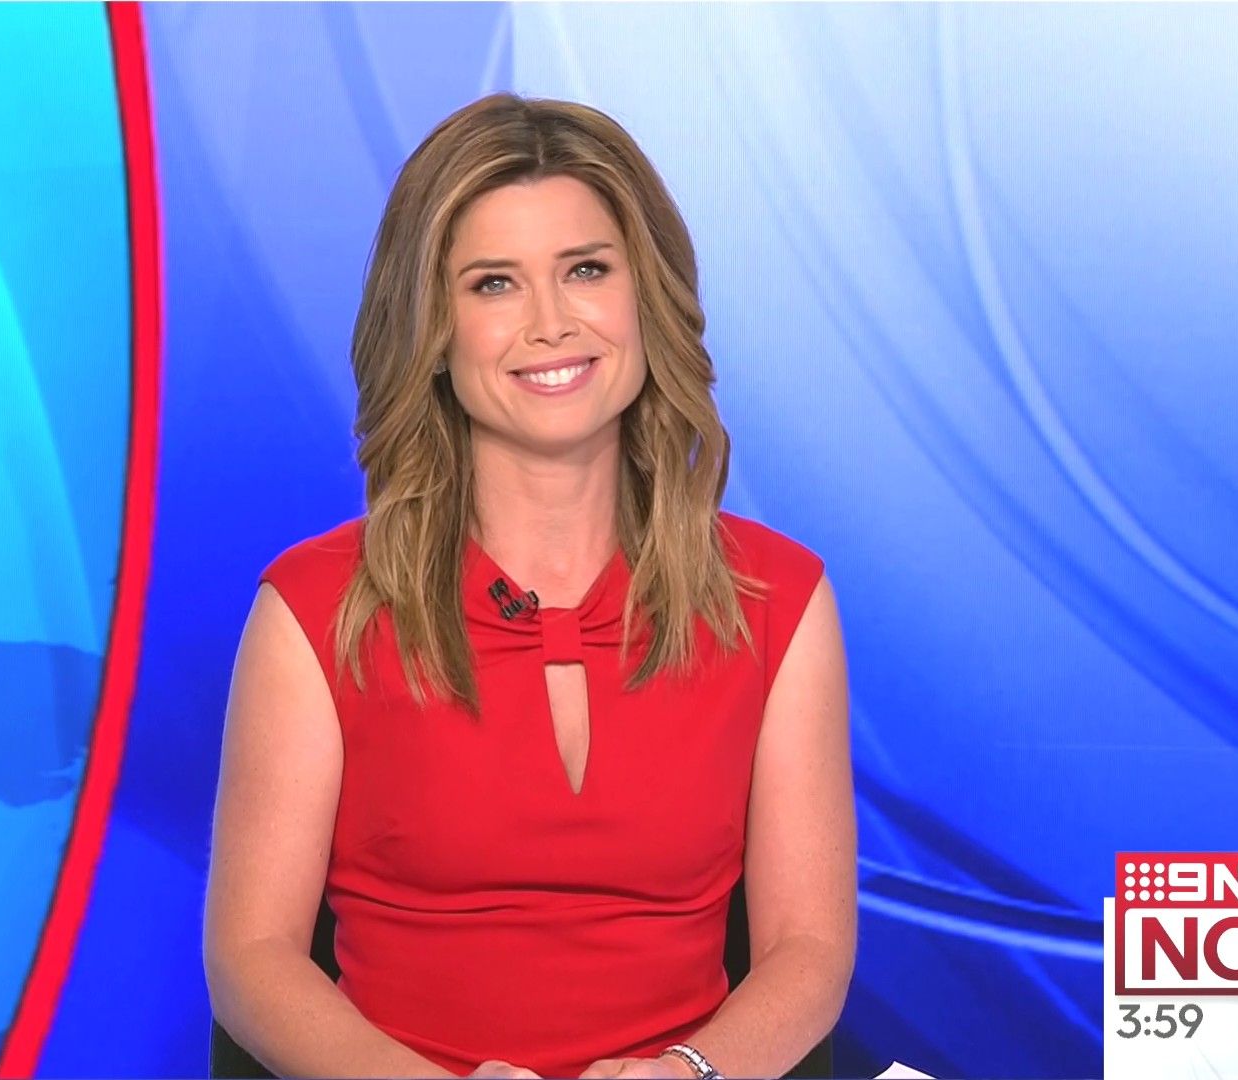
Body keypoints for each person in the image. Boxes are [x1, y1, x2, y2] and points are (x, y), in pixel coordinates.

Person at [203, 92, 856, 1080]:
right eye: (494, 284)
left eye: (586, 269)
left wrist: (688, 1072)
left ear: (646, 296)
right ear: (433, 328)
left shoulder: (777, 598)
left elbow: (807, 951)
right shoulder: (316, 608)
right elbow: (253, 960)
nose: (551, 324)